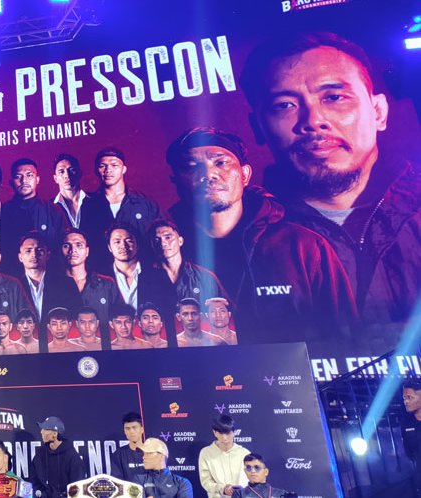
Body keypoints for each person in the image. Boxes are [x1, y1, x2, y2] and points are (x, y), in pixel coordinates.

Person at [241, 32, 420, 342]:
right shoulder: (244, 237)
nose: (313, 120)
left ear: (378, 111)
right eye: (284, 105)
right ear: (258, 127)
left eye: (334, 97)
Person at [165, 127, 356, 347]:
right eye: (192, 166)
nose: (208, 175)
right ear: (175, 180)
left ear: (245, 175)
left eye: (221, 162)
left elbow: (346, 336)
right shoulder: (158, 253)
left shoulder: (303, 246)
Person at [79, 147, 162, 272]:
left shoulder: (144, 204)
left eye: (114, 165)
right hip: (102, 273)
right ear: (96, 170)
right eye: (103, 166)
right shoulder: (88, 204)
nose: (108, 170)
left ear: (124, 169)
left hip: (142, 272)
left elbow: (160, 235)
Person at [0, 158, 65, 277]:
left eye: (29, 175)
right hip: (13, 277)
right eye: (18, 177)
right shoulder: (2, 212)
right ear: (11, 182)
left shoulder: (53, 210)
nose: (24, 180)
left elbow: (62, 245)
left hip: (50, 276)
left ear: (37, 179)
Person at [150, 219, 225, 309]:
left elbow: (226, 309)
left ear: (180, 241)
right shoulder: (145, 279)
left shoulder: (205, 277)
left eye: (168, 237)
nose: (163, 243)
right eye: (156, 239)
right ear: (152, 244)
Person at [60, 228, 121, 326]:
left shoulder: (107, 285)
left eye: (78, 245)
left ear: (87, 251)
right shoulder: (52, 286)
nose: (73, 250)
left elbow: (119, 318)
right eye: (66, 246)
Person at [18, 231, 80, 324]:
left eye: (40, 250)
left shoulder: (67, 284)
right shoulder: (14, 287)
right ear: (20, 257)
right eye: (28, 250)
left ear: (48, 254)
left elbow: (76, 318)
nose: (34, 254)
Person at [29, 416, 84, 498]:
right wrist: (41, 493)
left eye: (45, 429)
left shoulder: (72, 456)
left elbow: (77, 486)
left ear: (55, 434)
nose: (41, 432)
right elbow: (34, 478)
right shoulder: (40, 453)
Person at [199, 416, 250, 498]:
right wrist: (223, 489)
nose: (224, 437)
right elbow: (206, 481)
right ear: (215, 433)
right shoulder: (206, 453)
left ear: (234, 432)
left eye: (227, 433)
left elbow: (251, 479)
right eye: (220, 433)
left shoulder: (244, 453)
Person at [52, 153, 89, 229]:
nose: (67, 175)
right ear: (55, 178)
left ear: (80, 174)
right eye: (61, 171)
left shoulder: (96, 201)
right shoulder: (49, 207)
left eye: (72, 170)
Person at [112, 412, 146, 482]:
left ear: (142, 429)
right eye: (127, 428)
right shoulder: (119, 454)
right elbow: (117, 481)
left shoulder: (151, 452)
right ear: (124, 431)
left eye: (134, 427)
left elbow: (158, 478)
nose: (131, 431)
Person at [403, 380, 421, 496]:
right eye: (404, 398)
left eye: (410, 397)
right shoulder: (406, 424)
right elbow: (409, 452)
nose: (406, 401)